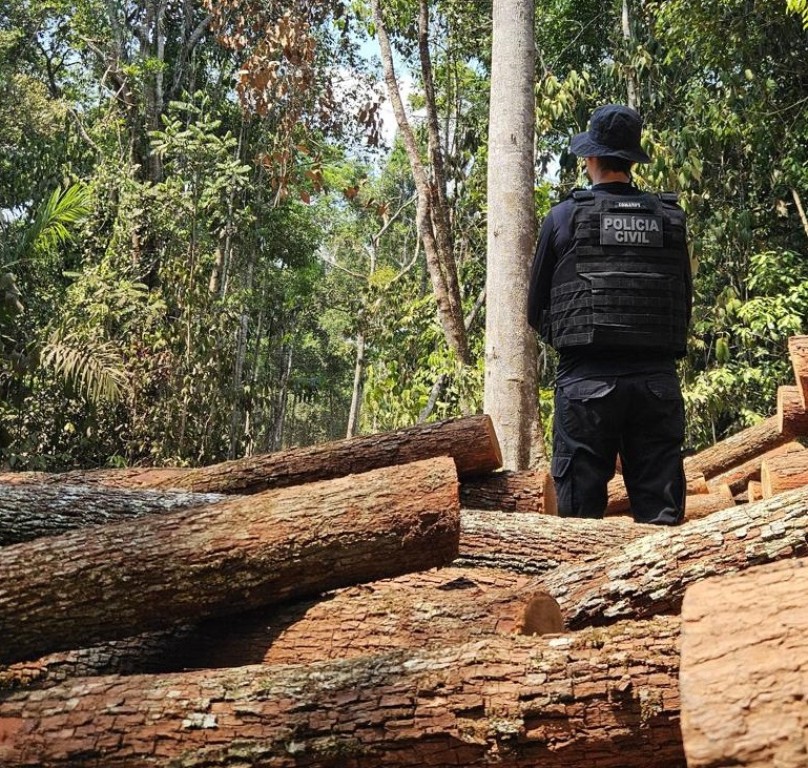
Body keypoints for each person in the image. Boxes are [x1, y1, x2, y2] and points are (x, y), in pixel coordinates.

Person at [528, 104, 692, 525]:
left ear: (592, 159)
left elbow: (536, 308)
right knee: (662, 523)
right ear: (631, 160)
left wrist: (580, 337)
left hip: (586, 381)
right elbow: (683, 303)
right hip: (657, 384)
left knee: (579, 522)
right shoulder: (670, 219)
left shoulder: (564, 217)